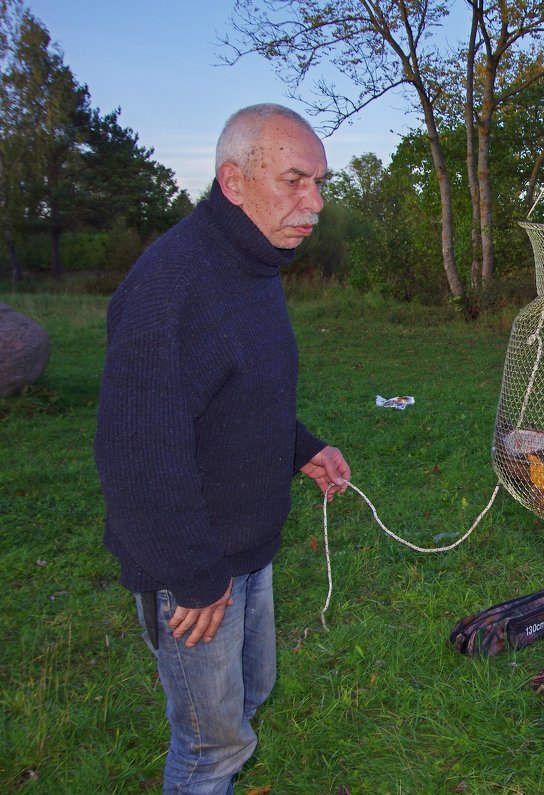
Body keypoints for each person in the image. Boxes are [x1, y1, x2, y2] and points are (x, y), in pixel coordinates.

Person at [94, 103, 351, 794]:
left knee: (248, 694)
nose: (316, 203)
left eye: (320, 182)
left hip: (247, 546)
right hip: (196, 567)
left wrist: (301, 446)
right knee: (210, 747)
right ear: (234, 181)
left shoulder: (255, 260)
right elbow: (136, 454)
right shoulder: (170, 286)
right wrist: (197, 574)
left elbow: (237, 390)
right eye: (296, 180)